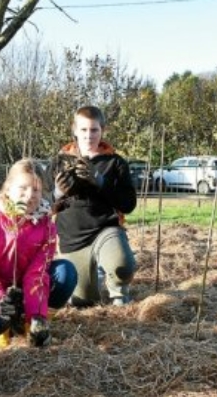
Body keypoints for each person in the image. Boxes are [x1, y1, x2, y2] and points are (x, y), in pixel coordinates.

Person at [0, 159, 77, 348]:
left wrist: (36, 317)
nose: (30, 195)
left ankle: (27, 323)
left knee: (66, 273)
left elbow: (37, 274)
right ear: (8, 189)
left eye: (36, 190)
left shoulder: (46, 225)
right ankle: (2, 326)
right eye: (23, 188)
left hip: (24, 289)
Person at [44, 105, 137, 307]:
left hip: (106, 230)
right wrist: (58, 194)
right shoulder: (58, 163)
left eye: (94, 130)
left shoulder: (115, 163)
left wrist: (101, 182)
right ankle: (90, 286)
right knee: (83, 302)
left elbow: (129, 204)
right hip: (72, 239)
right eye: (84, 130)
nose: (89, 136)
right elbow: (41, 206)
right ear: (74, 130)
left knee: (122, 266)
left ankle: (118, 289)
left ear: (102, 130)